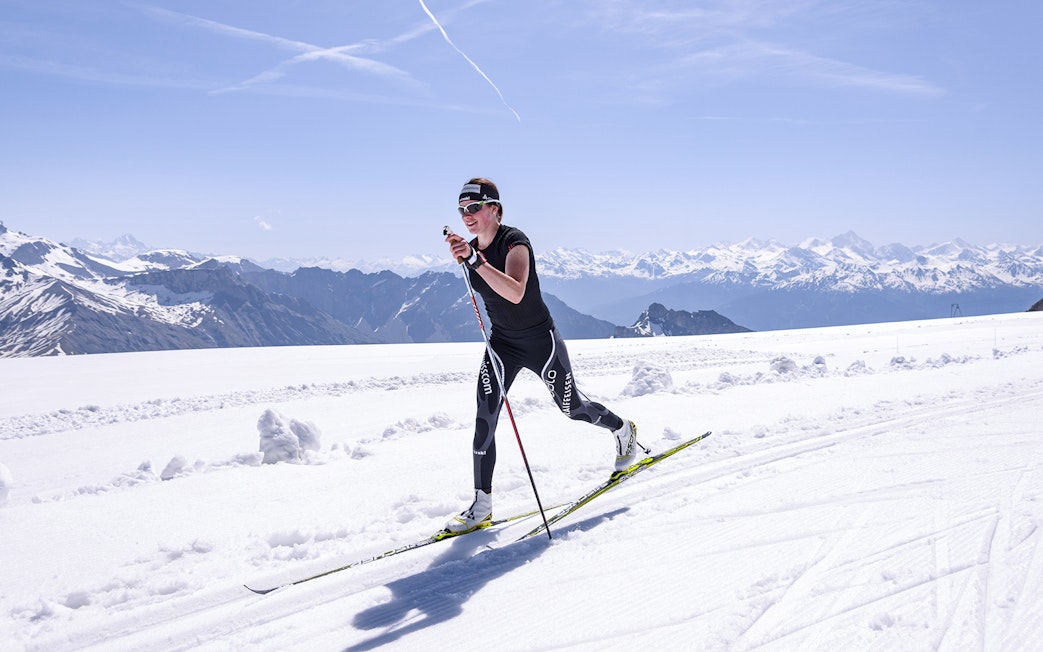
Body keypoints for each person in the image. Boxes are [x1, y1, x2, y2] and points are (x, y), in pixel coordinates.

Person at [443, 177, 638, 534]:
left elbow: (515, 293)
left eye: (473, 208)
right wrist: (469, 260)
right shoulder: (470, 249)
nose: (466, 215)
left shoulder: (515, 243)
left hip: (540, 341)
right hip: (502, 343)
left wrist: (474, 260)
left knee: (572, 407)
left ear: (494, 210)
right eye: (461, 210)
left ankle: (623, 429)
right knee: (484, 417)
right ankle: (481, 504)